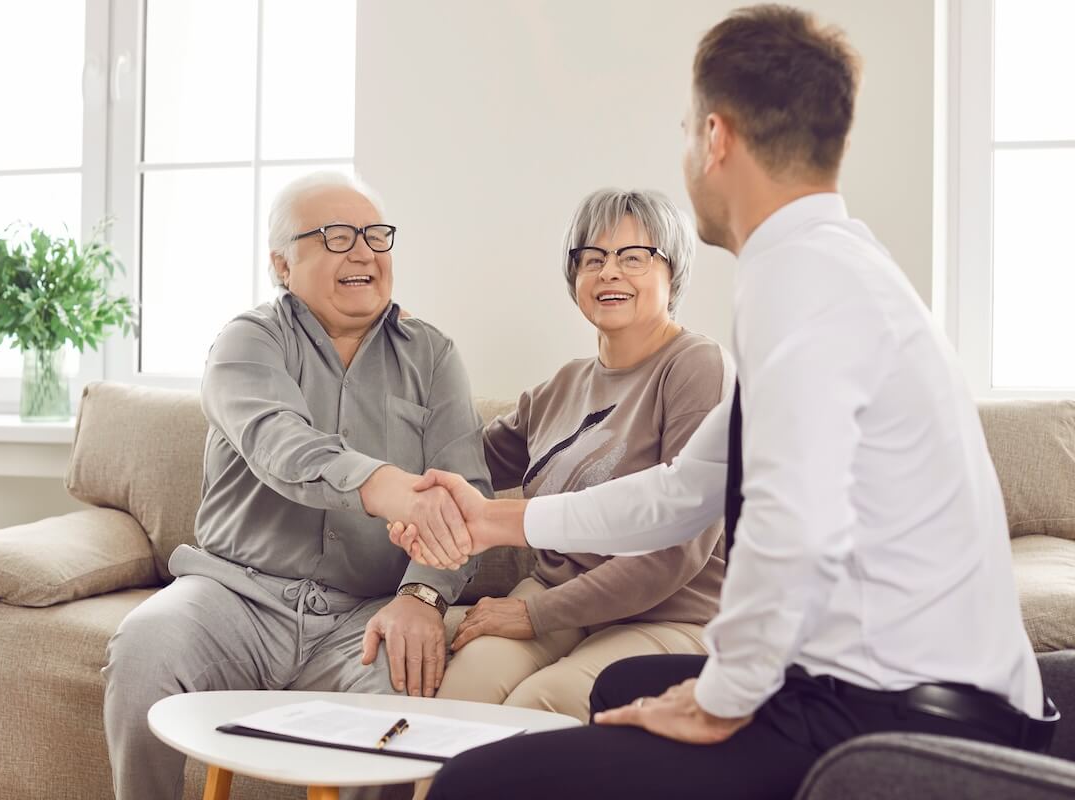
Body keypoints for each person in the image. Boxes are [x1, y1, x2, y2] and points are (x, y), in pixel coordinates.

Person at [391, 7, 1057, 799]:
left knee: (481, 783)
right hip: (887, 691)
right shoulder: (836, 264)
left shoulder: (798, 278)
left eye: (683, 133)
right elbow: (680, 493)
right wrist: (491, 519)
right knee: (618, 689)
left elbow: (790, 519)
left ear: (715, 138)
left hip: (894, 720)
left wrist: (724, 694)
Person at [101, 171, 492, 800]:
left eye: (375, 235)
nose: (364, 251)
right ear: (282, 264)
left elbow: (467, 490)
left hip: (364, 613)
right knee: (146, 646)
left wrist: (422, 594)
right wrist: (383, 484)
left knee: (406, 701)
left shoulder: (433, 356)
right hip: (234, 599)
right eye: (337, 237)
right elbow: (279, 443)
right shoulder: (247, 342)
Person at [427, 188, 728, 725]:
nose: (610, 272)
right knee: (459, 697)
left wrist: (534, 613)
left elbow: (678, 549)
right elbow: (461, 463)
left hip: (668, 613)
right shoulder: (561, 386)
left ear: (672, 270)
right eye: (592, 258)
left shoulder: (696, 366)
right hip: (558, 600)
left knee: (537, 706)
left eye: (634, 257)